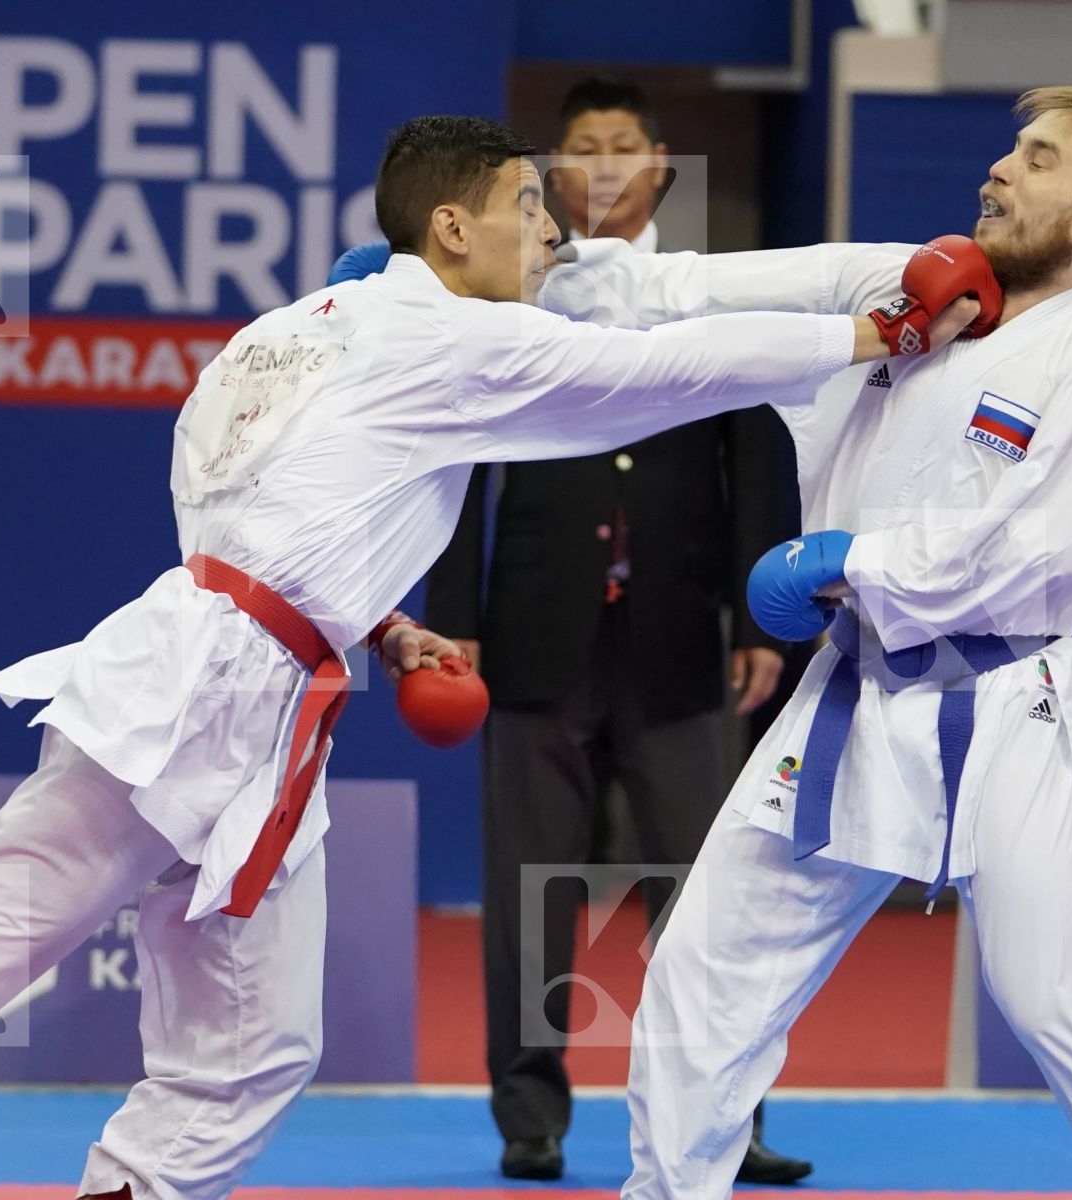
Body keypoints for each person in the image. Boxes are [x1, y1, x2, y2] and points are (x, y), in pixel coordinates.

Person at [0, 115, 951, 1200]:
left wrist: (372, 621)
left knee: (252, 1051)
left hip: (248, 682)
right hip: (207, 692)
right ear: (453, 226)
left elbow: (233, 499)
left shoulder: (283, 331)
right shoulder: (446, 337)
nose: (552, 236)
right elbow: (646, 375)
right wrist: (866, 335)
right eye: (530, 209)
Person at [541, 87, 1072, 1200]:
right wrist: (482, 286)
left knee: (1057, 1005)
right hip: (850, 693)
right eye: (1012, 150)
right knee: (702, 972)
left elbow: (1024, 551)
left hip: (1005, 699)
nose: (1001, 171)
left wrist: (844, 561)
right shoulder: (901, 280)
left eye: (1039, 160)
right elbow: (689, 289)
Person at [421, 78, 810, 1185]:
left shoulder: (711, 296)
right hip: (533, 631)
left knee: (710, 898)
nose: (601, 164)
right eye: (580, 148)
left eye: (621, 145)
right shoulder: (507, 292)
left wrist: (761, 615)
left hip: (685, 636)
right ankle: (529, 1119)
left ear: (660, 165)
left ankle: (725, 1122)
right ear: (552, 169)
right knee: (529, 893)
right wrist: (455, 623)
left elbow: (758, 459)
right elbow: (458, 465)